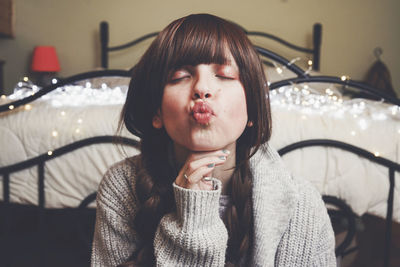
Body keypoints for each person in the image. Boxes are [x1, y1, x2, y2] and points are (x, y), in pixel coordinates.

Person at [91, 13, 336, 267]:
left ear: (251, 110)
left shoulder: (300, 203)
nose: (202, 88)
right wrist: (193, 220)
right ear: (157, 112)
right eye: (179, 76)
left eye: (225, 75)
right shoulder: (122, 187)